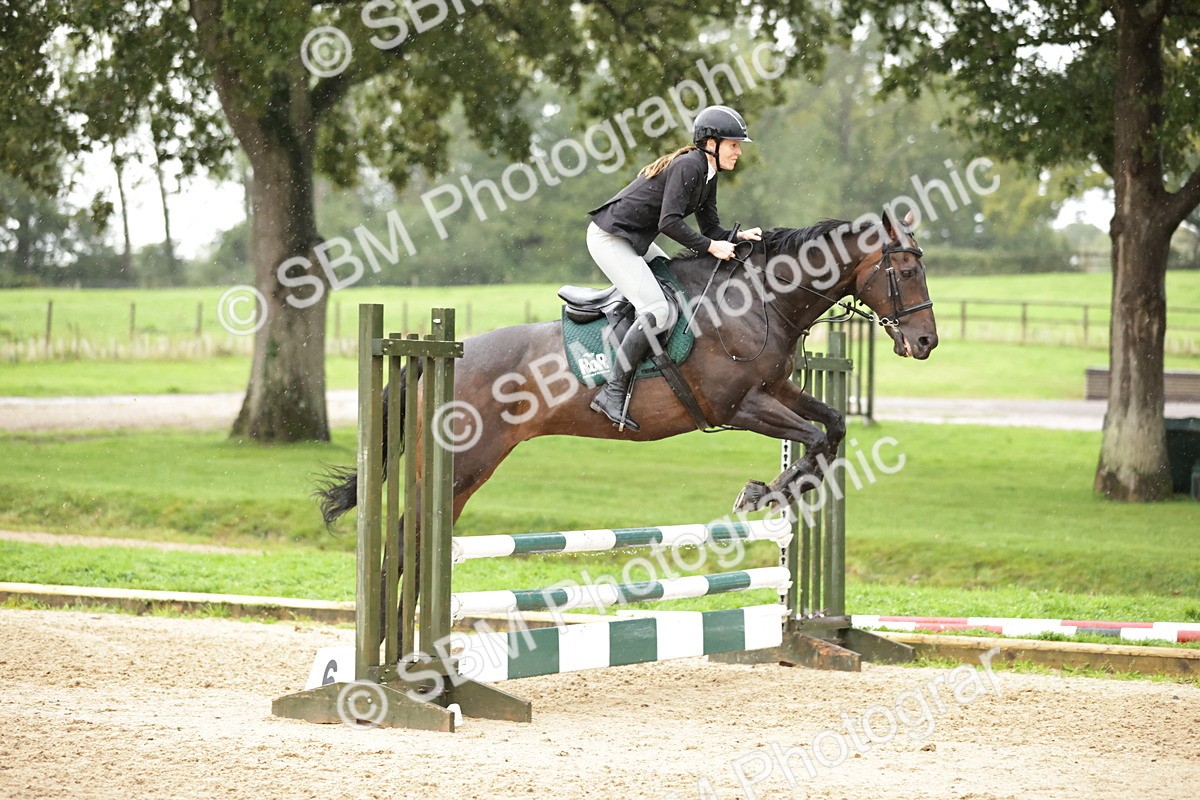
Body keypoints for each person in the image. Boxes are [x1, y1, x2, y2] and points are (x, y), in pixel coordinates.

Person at [586, 104, 763, 430]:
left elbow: (711, 230)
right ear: (712, 143)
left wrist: (737, 237)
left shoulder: (708, 174)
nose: (739, 151)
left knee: (676, 287)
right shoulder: (690, 166)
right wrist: (712, 247)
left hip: (632, 238)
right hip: (610, 238)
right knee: (658, 309)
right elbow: (669, 222)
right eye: (734, 144)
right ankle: (611, 392)